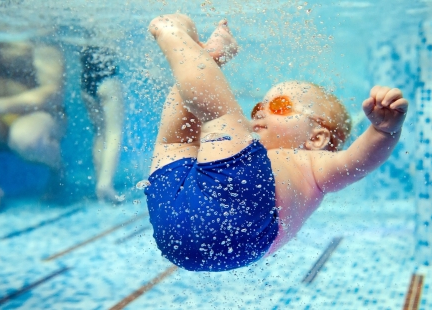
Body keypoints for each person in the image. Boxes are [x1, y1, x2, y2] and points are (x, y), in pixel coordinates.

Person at [144, 14, 408, 272]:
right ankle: (207, 59)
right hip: (178, 233)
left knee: (216, 116)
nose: (259, 113)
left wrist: (384, 132)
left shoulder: (314, 163)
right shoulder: (254, 157)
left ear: (317, 138)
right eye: (259, 106)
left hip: (240, 226)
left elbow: (357, 162)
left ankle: (177, 36)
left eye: (280, 106)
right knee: (179, 142)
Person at [0, 41, 66, 212]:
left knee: (28, 139)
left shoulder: (39, 35)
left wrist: (1, 105)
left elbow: (53, 93)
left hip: (39, 114)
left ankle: (58, 170)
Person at [80, 45, 123, 203]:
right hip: (108, 80)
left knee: (100, 132)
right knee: (114, 132)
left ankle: (100, 181)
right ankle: (106, 184)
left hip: (85, 82)